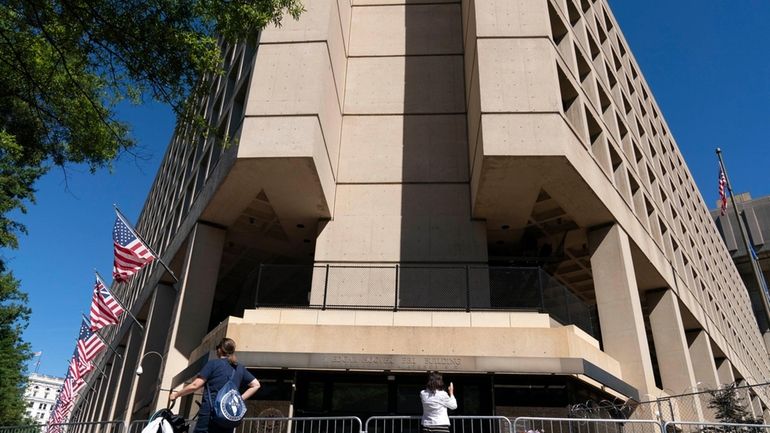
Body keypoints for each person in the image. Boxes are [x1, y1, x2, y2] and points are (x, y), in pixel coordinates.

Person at [169, 338, 260, 433]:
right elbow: (256, 385)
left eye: (217, 347)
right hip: (228, 417)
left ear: (220, 349)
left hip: (209, 416)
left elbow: (195, 385)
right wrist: (239, 399)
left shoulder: (213, 364)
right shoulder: (239, 368)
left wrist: (176, 395)